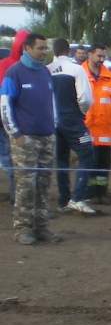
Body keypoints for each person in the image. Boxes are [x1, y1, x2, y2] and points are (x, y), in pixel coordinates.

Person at [0, 33, 59, 244]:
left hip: (47, 137)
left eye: (45, 48)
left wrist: (54, 126)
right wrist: (15, 133)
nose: (44, 52)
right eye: (40, 48)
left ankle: (41, 227)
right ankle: (23, 228)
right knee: (26, 185)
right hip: (25, 139)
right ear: (27, 48)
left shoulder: (45, 72)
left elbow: (52, 101)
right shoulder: (14, 73)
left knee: (44, 184)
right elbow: (5, 104)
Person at [48, 38, 95, 215]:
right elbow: (85, 98)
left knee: (61, 158)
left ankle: (64, 199)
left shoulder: (47, 70)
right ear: (69, 51)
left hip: (54, 121)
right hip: (72, 119)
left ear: (54, 51)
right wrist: (81, 113)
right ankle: (78, 197)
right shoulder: (76, 69)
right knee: (87, 153)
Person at [83, 44, 111, 204]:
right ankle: (88, 193)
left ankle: (101, 193)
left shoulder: (110, 77)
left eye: (103, 56)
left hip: (105, 131)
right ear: (90, 54)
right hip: (86, 129)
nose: (101, 59)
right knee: (88, 163)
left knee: (103, 165)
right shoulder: (80, 74)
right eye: (99, 56)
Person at [0, 29, 29, 203]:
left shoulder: (6, 64)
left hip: (11, 117)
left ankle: (16, 192)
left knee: (9, 156)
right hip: (13, 118)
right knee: (14, 157)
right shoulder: (21, 67)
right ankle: (16, 193)